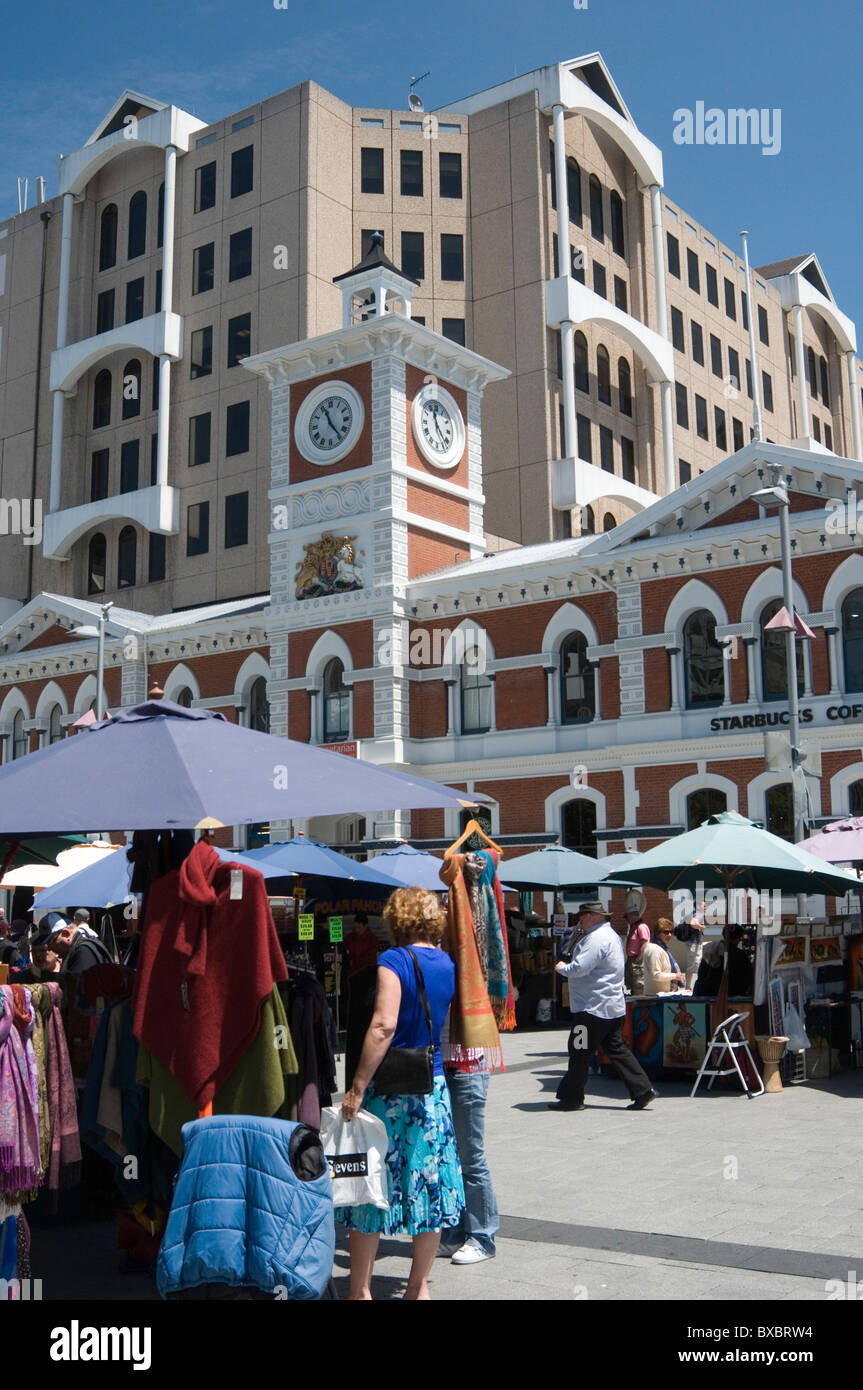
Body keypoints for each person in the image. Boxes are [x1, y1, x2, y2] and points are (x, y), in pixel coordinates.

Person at [338, 887, 464, 1300]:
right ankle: (418, 1287)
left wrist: (356, 1086)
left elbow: (383, 1026)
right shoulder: (446, 962)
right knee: (429, 1182)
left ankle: (360, 1290)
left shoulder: (393, 960)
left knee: (369, 1186)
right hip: (432, 1087)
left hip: (390, 1093)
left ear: (396, 920)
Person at [551, 900, 656, 1112]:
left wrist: (563, 968)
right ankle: (642, 1089)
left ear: (591, 916)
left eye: (582, 916)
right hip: (609, 1007)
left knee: (579, 1050)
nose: (580, 920)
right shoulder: (611, 936)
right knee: (615, 1049)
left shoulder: (595, 938)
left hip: (591, 1009)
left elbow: (580, 968)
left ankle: (572, 1098)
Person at [642, 919, 686, 996]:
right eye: (666, 932)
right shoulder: (654, 949)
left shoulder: (662, 948)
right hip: (656, 997)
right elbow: (655, 974)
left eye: (671, 932)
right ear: (657, 933)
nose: (669, 935)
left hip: (663, 995)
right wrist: (675, 976)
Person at [624, 905, 650, 995]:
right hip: (631, 959)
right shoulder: (632, 927)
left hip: (638, 960)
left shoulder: (641, 927)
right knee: (632, 983)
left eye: (627, 917)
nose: (626, 920)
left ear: (633, 916)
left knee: (638, 983)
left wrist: (639, 958)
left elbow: (645, 943)